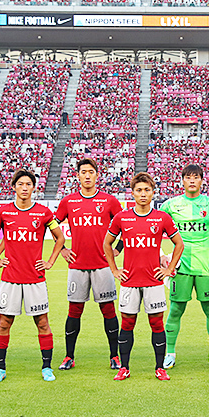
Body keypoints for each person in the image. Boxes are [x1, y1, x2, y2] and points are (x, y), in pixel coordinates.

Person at [0, 169, 65, 382]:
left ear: (34, 187)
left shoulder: (44, 212)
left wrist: (50, 261)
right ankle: (0, 369)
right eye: (21, 184)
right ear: (14, 187)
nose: (25, 187)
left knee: (43, 323)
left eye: (28, 184)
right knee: (4, 323)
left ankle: (47, 367)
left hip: (35, 278)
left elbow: (60, 238)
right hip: (10, 278)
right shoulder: (3, 212)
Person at [104, 172, 184, 381]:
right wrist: (114, 270)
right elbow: (107, 244)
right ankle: (125, 367)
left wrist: (169, 269)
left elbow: (179, 244)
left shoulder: (162, 217)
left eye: (147, 190)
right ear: (132, 193)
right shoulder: (122, 217)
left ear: (153, 193)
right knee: (127, 324)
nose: (143, 194)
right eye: (139, 190)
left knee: (156, 324)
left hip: (153, 282)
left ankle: (159, 367)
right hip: (129, 281)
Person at [54, 158, 123, 371]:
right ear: (77, 175)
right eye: (83, 172)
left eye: (91, 172)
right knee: (74, 310)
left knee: (108, 310)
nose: (87, 175)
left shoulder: (109, 201)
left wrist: (117, 250)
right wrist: (62, 249)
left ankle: (115, 356)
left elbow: (126, 226)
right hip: (77, 266)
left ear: (97, 175)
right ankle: (69, 357)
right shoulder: (68, 201)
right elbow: (52, 225)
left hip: (103, 265)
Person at [159, 164, 209, 370]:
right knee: (176, 310)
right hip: (180, 268)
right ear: (182, 180)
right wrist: (162, 256)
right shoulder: (170, 205)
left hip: (206, 268)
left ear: (202, 181)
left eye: (196, 177)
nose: (192, 181)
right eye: (188, 177)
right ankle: (170, 353)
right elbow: (153, 231)